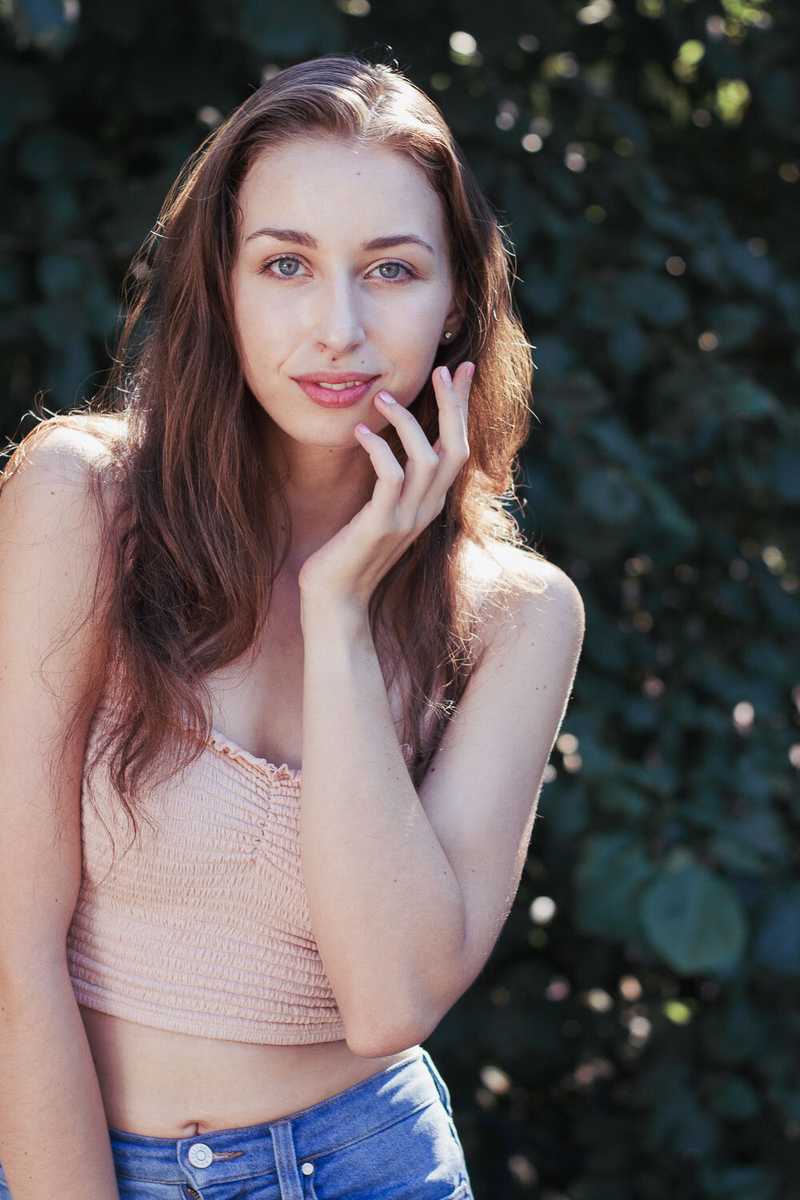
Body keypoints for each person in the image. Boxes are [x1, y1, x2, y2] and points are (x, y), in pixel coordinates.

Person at [0, 53, 585, 1199]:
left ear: (457, 296)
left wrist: (338, 615)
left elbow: (389, 1000)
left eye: (391, 269)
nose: (338, 326)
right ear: (220, 283)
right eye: (285, 264)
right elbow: (9, 942)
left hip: (369, 1168)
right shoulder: (83, 504)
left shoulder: (515, 618)